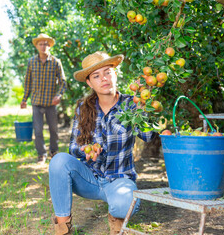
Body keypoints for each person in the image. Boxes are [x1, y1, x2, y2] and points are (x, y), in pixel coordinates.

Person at [49, 51, 157, 235]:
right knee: (59, 160)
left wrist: (142, 108)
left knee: (125, 204)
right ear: (90, 83)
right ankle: (63, 228)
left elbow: (148, 137)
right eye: (96, 76)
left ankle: (116, 216)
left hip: (119, 180)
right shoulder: (84, 108)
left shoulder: (131, 104)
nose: (104, 78)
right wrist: (85, 151)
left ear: (116, 73)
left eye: (107, 72)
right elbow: (73, 149)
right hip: (88, 179)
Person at [20, 34, 66, 163]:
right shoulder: (31, 62)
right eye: (40, 44)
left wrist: (59, 95)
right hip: (37, 102)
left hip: (51, 103)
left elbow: (63, 82)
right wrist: (24, 99)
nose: (43, 46)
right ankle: (41, 154)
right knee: (38, 130)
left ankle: (54, 151)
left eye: (46, 44)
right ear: (36, 46)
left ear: (49, 46)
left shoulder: (56, 62)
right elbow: (28, 82)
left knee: (54, 130)